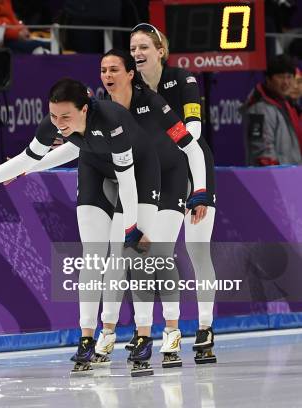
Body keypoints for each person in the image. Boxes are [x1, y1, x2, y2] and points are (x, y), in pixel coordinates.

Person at [0, 78, 161, 376]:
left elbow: (126, 180)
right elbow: (26, 158)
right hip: (96, 168)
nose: (58, 124)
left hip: (139, 173)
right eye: (54, 116)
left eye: (65, 117)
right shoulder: (56, 123)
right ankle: (87, 338)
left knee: (129, 254)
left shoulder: (112, 120)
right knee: (93, 257)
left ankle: (143, 335)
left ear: (84, 110)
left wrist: (132, 228)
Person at [97, 49, 207, 368]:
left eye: (114, 69)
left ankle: (170, 331)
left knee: (156, 254)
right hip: (137, 183)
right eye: (103, 70)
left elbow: (189, 145)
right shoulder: (102, 111)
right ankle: (124, 332)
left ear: (130, 73)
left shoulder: (154, 103)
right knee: (125, 255)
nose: (107, 76)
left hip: (171, 176)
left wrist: (199, 189)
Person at [130, 23, 218, 364]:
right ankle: (170, 331)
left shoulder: (183, 81)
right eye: (133, 48)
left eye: (143, 47)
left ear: (160, 51)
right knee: (157, 255)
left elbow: (193, 129)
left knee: (198, 251)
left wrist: (198, 189)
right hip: (161, 175)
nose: (137, 53)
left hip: (194, 167)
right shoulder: (132, 87)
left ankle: (206, 328)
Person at [242, 54, 301, 166]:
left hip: (292, 176)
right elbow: (262, 153)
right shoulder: (259, 109)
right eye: (280, 77)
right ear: (268, 79)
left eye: (289, 77)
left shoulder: (288, 105)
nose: (286, 82)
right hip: (274, 178)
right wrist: (277, 176)